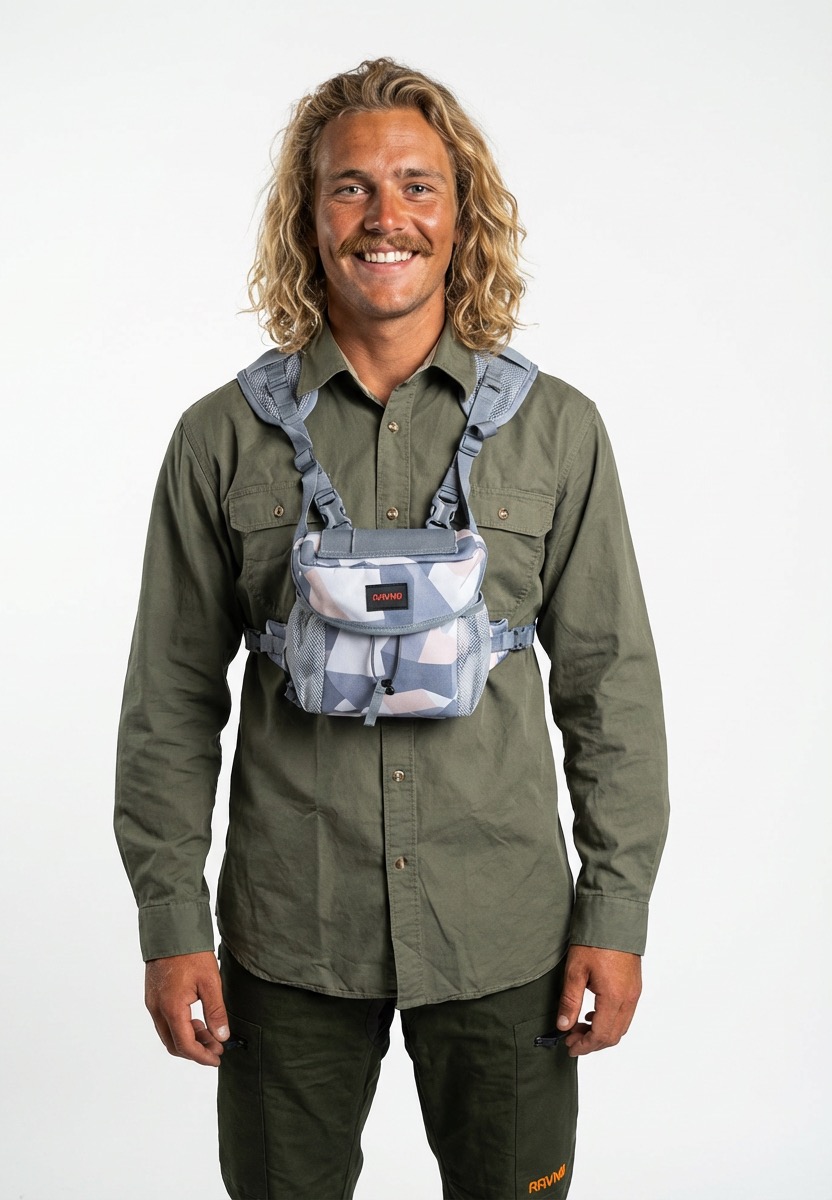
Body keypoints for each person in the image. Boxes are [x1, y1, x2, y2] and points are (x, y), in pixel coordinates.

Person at [114, 57, 669, 1200]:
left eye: (417, 185)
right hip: (289, 937)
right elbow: (169, 702)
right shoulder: (218, 439)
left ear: (460, 214)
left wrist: (614, 912)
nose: (386, 216)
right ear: (308, 217)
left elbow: (607, 685)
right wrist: (171, 924)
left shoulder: (556, 432)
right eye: (350, 187)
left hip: (503, 932)